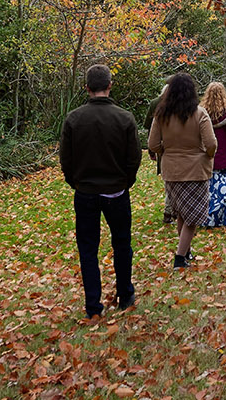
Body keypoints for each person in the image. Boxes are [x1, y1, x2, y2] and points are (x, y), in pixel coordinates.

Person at [58, 64, 142, 318]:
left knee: (87, 248)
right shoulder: (124, 118)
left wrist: (77, 182)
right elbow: (134, 157)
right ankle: (125, 294)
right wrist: (125, 181)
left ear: (87, 88)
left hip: (86, 193)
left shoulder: (74, 119)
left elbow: (66, 159)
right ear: (109, 85)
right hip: (115, 192)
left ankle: (93, 304)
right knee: (122, 243)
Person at [147, 73, 216, 268]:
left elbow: (152, 144)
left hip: (172, 170)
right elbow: (211, 143)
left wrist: (166, 151)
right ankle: (179, 258)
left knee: (182, 214)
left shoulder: (161, 115)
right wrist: (206, 155)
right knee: (192, 217)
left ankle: (185, 251)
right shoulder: (200, 113)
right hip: (196, 170)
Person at [200, 82, 226, 227]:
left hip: (206, 157)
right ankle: (222, 218)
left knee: (207, 188)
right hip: (224, 158)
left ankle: (205, 217)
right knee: (223, 189)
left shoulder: (201, 114)